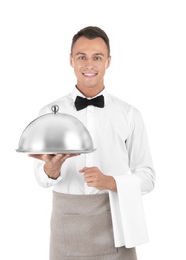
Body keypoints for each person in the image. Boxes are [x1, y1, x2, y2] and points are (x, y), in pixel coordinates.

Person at [29, 26, 155, 260]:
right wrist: (52, 169)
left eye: (97, 57)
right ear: (71, 61)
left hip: (116, 222)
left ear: (108, 61)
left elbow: (148, 178)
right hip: (66, 225)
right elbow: (41, 178)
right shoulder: (50, 113)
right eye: (81, 57)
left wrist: (111, 181)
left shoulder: (129, 114)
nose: (89, 65)